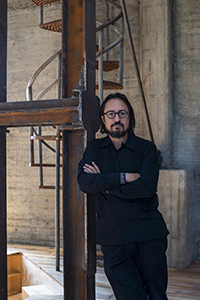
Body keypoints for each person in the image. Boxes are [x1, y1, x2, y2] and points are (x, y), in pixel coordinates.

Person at [77, 93, 169, 300]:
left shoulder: (146, 149)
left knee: (156, 296)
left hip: (148, 236)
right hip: (113, 240)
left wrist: (104, 184)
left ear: (130, 117)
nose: (116, 118)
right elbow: (84, 182)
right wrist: (124, 177)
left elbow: (146, 187)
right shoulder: (93, 148)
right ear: (103, 118)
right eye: (111, 114)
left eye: (122, 113)